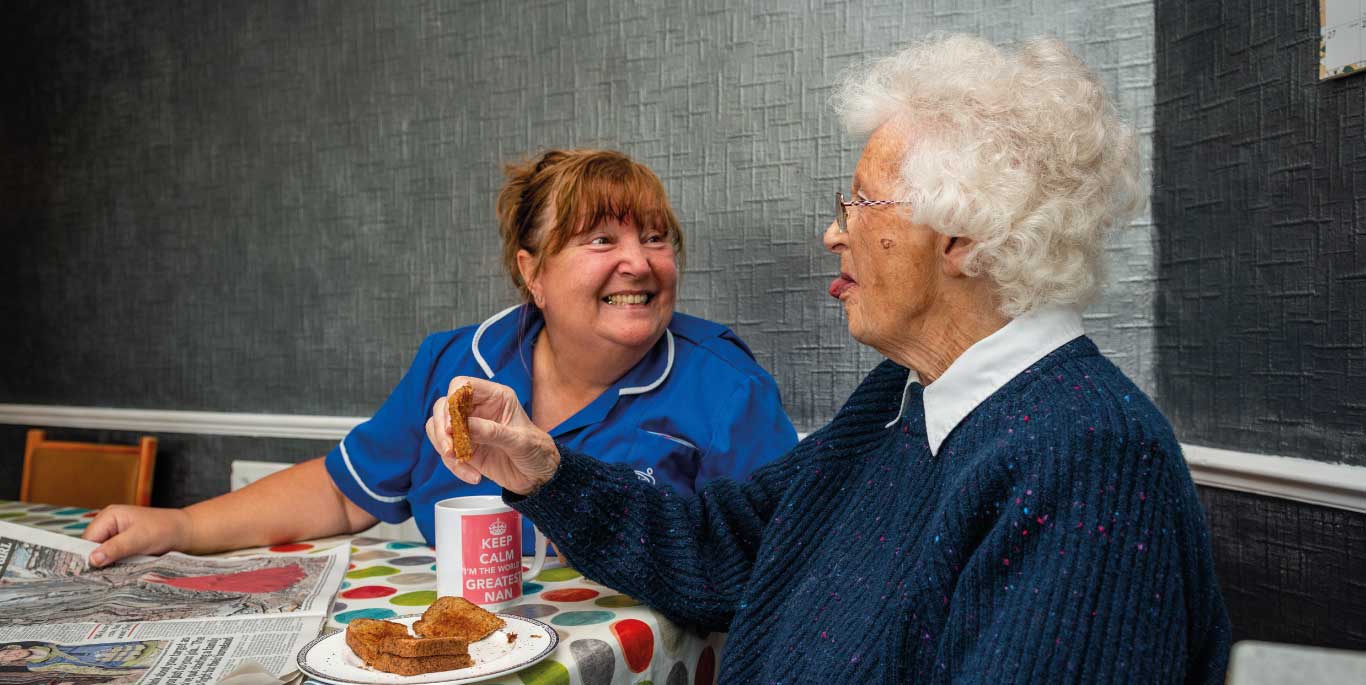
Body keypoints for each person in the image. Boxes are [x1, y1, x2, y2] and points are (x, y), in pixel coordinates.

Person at [428, 36, 1232, 683]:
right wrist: (544, 468)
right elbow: (727, 546)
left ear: (963, 236)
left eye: (859, 202)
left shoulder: (1087, 458)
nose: (835, 231)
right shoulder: (906, 396)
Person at [82, 148, 797, 564]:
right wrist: (178, 526)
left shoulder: (726, 386)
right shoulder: (456, 362)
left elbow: (770, 560)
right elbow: (341, 490)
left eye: (657, 237)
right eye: (601, 240)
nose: (639, 262)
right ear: (533, 272)